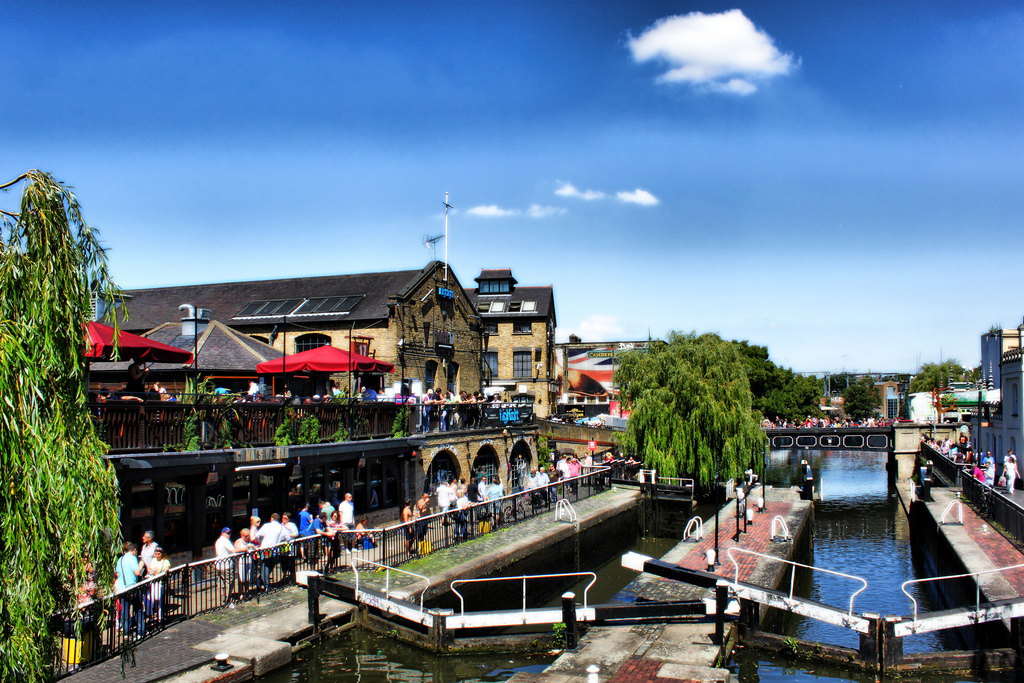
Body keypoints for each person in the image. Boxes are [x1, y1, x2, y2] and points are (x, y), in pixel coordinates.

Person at [114, 542, 146, 636]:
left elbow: (117, 574)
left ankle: (126, 632)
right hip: (132, 587)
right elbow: (137, 573)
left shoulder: (120, 559)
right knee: (138, 609)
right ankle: (140, 631)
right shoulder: (132, 558)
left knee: (125, 610)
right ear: (135, 550)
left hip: (122, 588)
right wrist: (141, 564)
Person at [146, 546, 171, 622]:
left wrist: (158, 574)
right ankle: (150, 615)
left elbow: (166, 571)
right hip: (152, 580)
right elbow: (150, 568)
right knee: (149, 598)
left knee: (158, 599)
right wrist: (151, 571)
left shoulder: (165, 561)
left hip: (159, 582)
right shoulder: (153, 560)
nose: (156, 556)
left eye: (158, 554)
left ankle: (159, 616)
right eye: (155, 554)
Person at [215, 527, 235, 598]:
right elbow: (233, 550)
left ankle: (222, 598)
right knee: (229, 582)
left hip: (219, 565)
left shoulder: (218, 541)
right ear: (222, 533)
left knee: (221, 583)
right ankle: (227, 598)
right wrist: (243, 549)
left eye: (230, 533)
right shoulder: (225, 541)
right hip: (226, 565)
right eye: (227, 533)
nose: (229, 534)